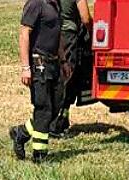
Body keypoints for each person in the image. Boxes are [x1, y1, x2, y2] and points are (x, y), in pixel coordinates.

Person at [9, 0, 71, 163]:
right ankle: (40, 155)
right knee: (43, 108)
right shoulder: (35, 4)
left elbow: (57, 35)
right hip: (39, 64)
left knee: (56, 105)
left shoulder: (55, 5)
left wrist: (63, 61)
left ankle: (21, 133)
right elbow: (24, 34)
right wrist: (25, 67)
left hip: (54, 64)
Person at [50, 0, 91, 137]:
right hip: (68, 36)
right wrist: (92, 34)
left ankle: (60, 121)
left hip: (51, 35)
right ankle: (55, 124)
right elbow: (85, 19)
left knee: (57, 78)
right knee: (67, 78)